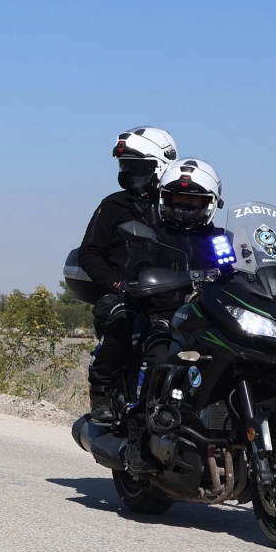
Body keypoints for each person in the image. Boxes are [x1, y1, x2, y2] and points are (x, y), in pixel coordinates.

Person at [119, 158, 230, 475]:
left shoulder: (220, 240)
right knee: (158, 363)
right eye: (178, 199)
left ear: (210, 204)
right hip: (166, 320)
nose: (184, 206)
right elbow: (139, 270)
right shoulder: (151, 235)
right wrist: (159, 278)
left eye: (194, 200)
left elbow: (238, 271)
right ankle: (138, 442)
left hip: (213, 323)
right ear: (164, 199)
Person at [80, 127, 178, 425]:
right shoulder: (113, 205)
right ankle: (102, 391)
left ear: (162, 165)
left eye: (137, 165)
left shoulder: (182, 204)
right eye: (125, 164)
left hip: (173, 295)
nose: (128, 171)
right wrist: (116, 284)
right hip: (127, 294)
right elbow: (89, 253)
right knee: (122, 319)